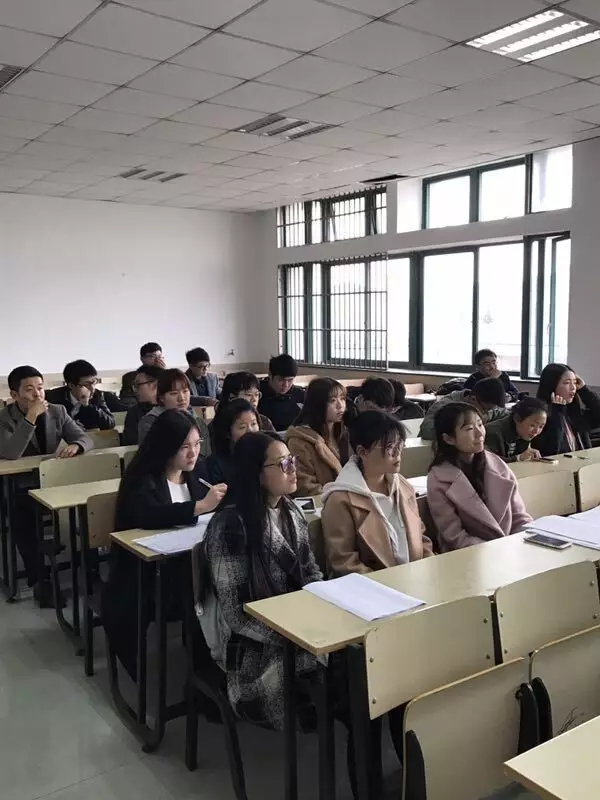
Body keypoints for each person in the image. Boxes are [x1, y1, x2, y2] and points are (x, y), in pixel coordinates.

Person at [200, 431, 322, 730]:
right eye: (283, 464)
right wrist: (300, 638)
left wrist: (327, 608)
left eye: (292, 460)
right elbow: (237, 616)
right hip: (255, 649)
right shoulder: (229, 526)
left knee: (356, 667)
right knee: (340, 682)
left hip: (300, 628)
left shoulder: (291, 510)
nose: (293, 469)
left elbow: (311, 572)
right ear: (256, 474)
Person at [105, 409, 227, 677]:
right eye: (184, 447)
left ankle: (221, 659)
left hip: (192, 564)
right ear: (165, 447)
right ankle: (205, 670)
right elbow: (148, 516)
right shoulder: (142, 477)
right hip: (149, 574)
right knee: (202, 594)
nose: (193, 453)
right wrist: (200, 506)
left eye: (197, 444)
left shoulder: (198, 471)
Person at [0, 366, 92, 604]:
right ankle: (39, 579)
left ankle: (89, 570)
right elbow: (11, 453)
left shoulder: (58, 411)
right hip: (18, 485)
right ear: (14, 394)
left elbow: (84, 437)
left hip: (53, 481)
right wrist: (30, 417)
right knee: (23, 516)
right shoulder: (4, 418)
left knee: (88, 506)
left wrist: (77, 445)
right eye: (29, 390)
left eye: (40, 388)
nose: (37, 394)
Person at [321, 410, 433, 577]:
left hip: (415, 576)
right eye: (389, 448)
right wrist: (388, 584)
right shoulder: (341, 500)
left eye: (400, 445)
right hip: (375, 585)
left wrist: (429, 567)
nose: (398, 454)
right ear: (362, 451)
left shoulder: (403, 487)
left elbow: (421, 537)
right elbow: (343, 561)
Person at [427, 402, 532, 551]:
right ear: (449, 439)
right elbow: (455, 537)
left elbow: (519, 517)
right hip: (469, 556)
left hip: (510, 550)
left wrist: (528, 539)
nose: (479, 433)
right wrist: (497, 550)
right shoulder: (439, 479)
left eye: (480, 424)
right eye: (469, 429)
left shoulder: (496, 464)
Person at [287, 378, 349, 496]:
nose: (340, 405)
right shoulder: (299, 441)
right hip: (323, 502)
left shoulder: (344, 433)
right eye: (332, 400)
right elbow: (304, 487)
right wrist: (339, 497)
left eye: (342, 399)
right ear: (317, 404)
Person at [138, 368, 210, 455]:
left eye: (185, 391)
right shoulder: (150, 422)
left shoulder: (197, 420)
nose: (181, 398)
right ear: (162, 397)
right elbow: (150, 457)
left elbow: (205, 455)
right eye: (174, 393)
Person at [533, 363, 600, 456]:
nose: (573, 387)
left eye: (575, 382)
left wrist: (584, 390)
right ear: (552, 386)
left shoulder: (572, 411)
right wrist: (557, 412)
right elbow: (552, 449)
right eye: (567, 383)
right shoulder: (539, 414)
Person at [201, 399, 260, 498]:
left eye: (253, 424)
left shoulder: (266, 453)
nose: (250, 431)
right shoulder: (216, 464)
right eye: (242, 427)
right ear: (228, 432)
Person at [419, 377, 508, 441]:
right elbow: (427, 431)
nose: (487, 413)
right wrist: (465, 432)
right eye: (485, 409)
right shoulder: (445, 406)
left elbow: (507, 415)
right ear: (473, 399)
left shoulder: (488, 406)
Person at [45, 360, 115, 430]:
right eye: (86, 384)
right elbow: (48, 425)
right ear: (71, 385)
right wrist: (69, 425)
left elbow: (110, 424)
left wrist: (87, 405)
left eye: (94, 382)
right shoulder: (54, 397)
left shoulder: (97, 395)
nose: (92, 388)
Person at [485, 398, 548, 463]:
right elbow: (490, 463)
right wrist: (518, 458)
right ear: (517, 418)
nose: (536, 431)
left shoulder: (522, 433)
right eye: (533, 425)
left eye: (541, 426)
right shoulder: (492, 433)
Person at [258, 354, 305, 431]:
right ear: (270, 375)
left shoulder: (299, 395)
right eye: (281, 380)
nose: (286, 385)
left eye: (290, 380)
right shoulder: (257, 395)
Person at [121, 365, 163, 446]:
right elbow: (130, 442)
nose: (135, 390)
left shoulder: (171, 407)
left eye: (138, 385)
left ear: (155, 384)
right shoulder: (134, 412)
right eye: (134, 386)